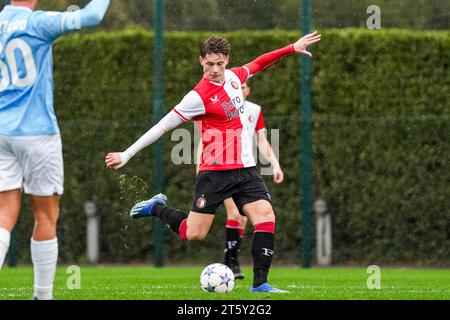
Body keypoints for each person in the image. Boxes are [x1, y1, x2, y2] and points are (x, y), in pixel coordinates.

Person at [106, 32, 321, 293]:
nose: (215, 70)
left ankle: (260, 283)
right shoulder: (196, 97)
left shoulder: (234, 77)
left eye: (220, 63)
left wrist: (291, 48)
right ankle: (155, 208)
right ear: (201, 61)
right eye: (210, 64)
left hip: (246, 170)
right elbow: (162, 126)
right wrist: (127, 154)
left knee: (265, 216)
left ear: (227, 60)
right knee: (193, 234)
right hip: (215, 173)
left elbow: (259, 63)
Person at [0, 0, 110, 300]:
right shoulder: (37, 23)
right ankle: (43, 296)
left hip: (1, 131)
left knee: (3, 216)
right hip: (37, 133)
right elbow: (91, 15)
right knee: (46, 215)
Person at [195, 80, 284, 280]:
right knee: (235, 214)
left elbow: (261, 140)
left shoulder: (254, 110)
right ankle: (231, 263)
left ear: (248, 90)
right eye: (236, 86)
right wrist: (200, 168)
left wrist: (275, 164)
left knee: (242, 217)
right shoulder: (217, 106)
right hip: (219, 171)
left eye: (243, 87)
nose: (239, 89)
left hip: (243, 171)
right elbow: (204, 140)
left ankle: (231, 262)